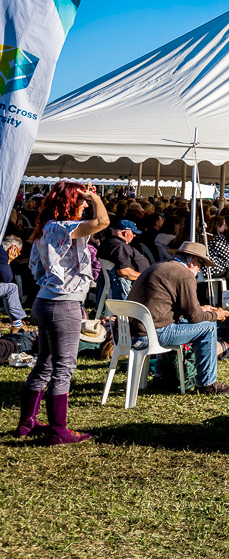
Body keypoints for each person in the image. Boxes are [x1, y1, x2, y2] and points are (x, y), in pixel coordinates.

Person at [17, 183, 109, 444]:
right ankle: (59, 430)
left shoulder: (45, 229)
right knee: (63, 367)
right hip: (63, 304)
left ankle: (27, 422)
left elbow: (36, 269)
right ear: (69, 202)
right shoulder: (63, 227)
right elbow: (102, 221)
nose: (83, 205)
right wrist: (94, 197)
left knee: (44, 364)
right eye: (79, 201)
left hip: (45, 301)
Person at [127, 242, 229, 395]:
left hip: (130, 333)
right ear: (193, 262)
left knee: (179, 322)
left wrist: (200, 310)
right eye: (200, 267)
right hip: (150, 335)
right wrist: (215, 315)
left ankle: (160, 375)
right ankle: (207, 384)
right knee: (208, 328)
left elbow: (167, 308)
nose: (199, 271)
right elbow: (195, 318)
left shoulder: (158, 267)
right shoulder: (184, 274)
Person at [101, 217, 150, 299]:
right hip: (135, 287)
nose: (134, 236)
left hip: (131, 284)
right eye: (133, 233)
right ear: (125, 233)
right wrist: (145, 277)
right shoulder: (120, 246)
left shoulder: (108, 242)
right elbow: (124, 271)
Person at [0, 235, 27, 329]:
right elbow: (7, 279)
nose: (17, 255)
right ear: (13, 248)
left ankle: (17, 322)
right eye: (18, 252)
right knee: (12, 288)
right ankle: (17, 323)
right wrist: (9, 260)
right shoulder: (2, 255)